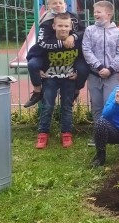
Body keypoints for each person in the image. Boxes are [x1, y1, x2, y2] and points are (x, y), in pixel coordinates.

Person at [24, 0, 89, 108]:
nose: (58, 5)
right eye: (54, 3)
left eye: (60, 2)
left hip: (71, 53)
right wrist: (63, 43)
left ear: (65, 4)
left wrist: (72, 37)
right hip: (47, 54)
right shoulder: (46, 20)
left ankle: (76, 90)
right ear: (48, 6)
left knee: (83, 69)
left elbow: (84, 31)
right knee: (33, 65)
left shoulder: (73, 16)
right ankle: (37, 91)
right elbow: (42, 43)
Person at [35, 13, 85, 149]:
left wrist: (78, 73)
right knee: (47, 106)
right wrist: (38, 69)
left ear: (71, 27)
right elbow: (34, 55)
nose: (63, 28)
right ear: (54, 26)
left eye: (66, 26)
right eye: (60, 26)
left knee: (66, 107)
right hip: (50, 78)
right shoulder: (47, 43)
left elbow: (82, 59)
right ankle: (43, 134)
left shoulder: (76, 43)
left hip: (68, 78)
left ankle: (66, 133)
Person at [82, 1, 119, 146]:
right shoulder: (89, 30)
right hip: (94, 75)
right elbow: (86, 50)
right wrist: (99, 67)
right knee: (96, 105)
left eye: (99, 12)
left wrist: (110, 69)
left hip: (112, 75)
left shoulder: (118, 32)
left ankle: (109, 133)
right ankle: (98, 135)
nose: (95, 14)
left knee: (110, 104)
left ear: (109, 14)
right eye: (94, 12)